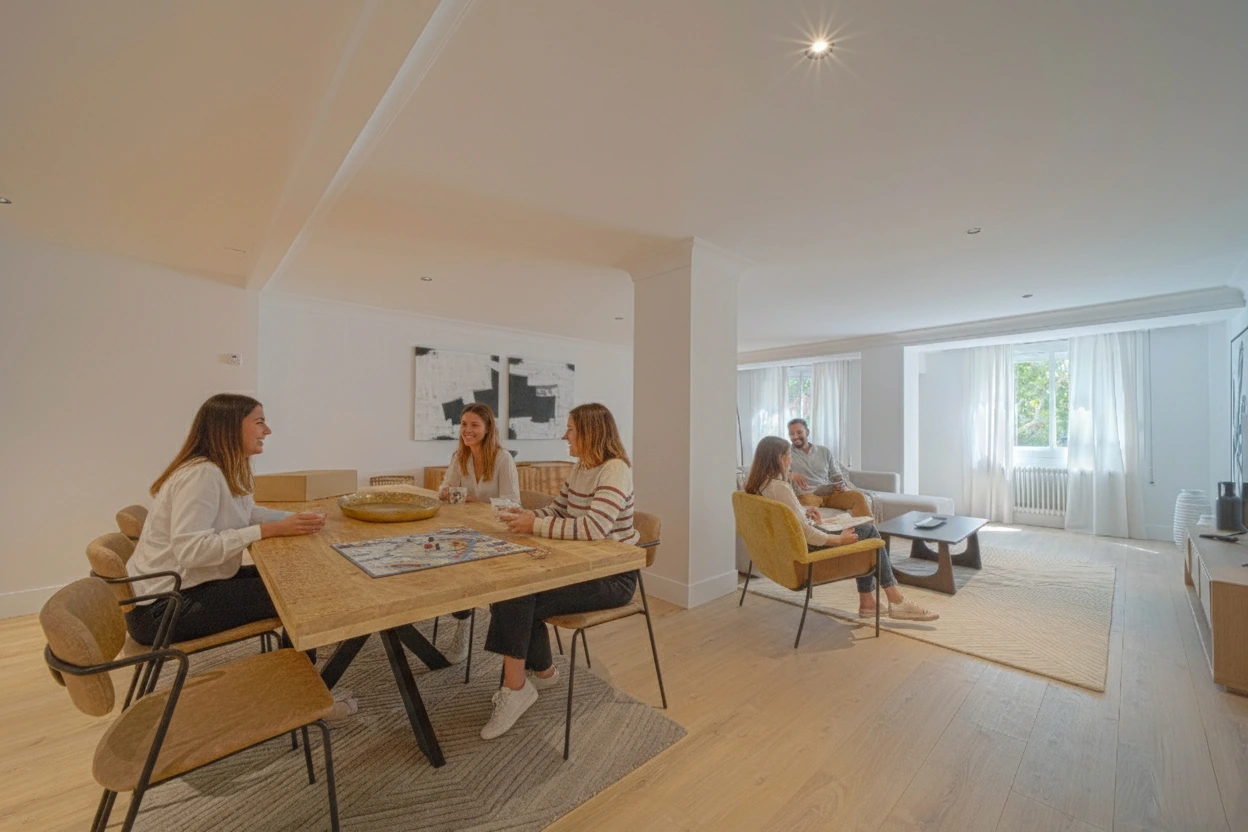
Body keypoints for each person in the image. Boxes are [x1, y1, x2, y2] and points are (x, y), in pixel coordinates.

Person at [479, 403, 641, 740]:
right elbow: (559, 509)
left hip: (613, 576)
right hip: (582, 567)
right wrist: (525, 516)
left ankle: (517, 688)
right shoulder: (582, 466)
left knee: (516, 595)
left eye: (570, 429)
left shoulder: (615, 469)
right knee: (515, 592)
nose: (565, 436)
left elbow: (595, 527)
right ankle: (543, 673)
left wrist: (535, 525)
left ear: (590, 433)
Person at [125, 394, 327, 646]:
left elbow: (248, 513)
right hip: (162, 609)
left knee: (292, 577)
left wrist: (295, 520)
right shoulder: (201, 475)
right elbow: (191, 552)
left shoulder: (219, 469)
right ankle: (301, 667)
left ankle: (299, 658)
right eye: (259, 422)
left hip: (177, 590)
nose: (268, 430)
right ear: (230, 428)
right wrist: (268, 530)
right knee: (299, 592)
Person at [745, 436, 938, 622]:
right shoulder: (781, 488)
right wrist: (839, 540)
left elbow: (787, 521)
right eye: (788, 455)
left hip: (792, 546)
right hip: (808, 549)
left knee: (861, 530)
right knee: (869, 532)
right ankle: (895, 599)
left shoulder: (757, 485)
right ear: (778, 459)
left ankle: (869, 603)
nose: (791, 460)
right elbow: (807, 534)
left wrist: (807, 515)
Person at [435, 403, 520, 663]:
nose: (467, 430)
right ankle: (463, 624)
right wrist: (444, 491)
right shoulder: (459, 457)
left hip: (497, 535)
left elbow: (513, 503)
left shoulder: (503, 459)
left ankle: (474, 626)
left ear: (487, 428)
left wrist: (479, 503)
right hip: (465, 532)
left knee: (462, 566)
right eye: (464, 424)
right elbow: (446, 486)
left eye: (474, 425)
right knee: (450, 565)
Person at [786, 418, 850, 497]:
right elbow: (776, 474)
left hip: (829, 493)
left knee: (858, 496)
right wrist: (790, 474)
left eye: (799, 432)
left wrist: (841, 484)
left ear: (807, 432)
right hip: (807, 496)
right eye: (792, 434)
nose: (795, 437)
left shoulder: (824, 451)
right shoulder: (785, 454)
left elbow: (836, 475)